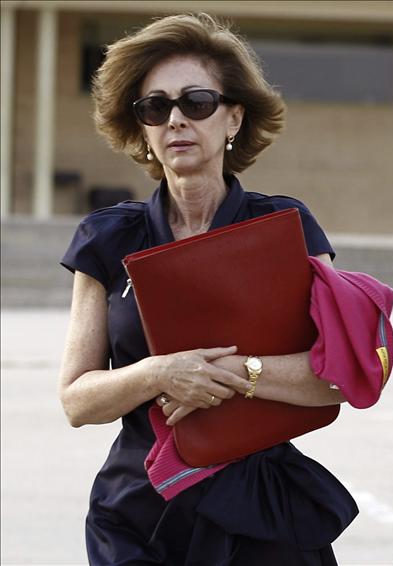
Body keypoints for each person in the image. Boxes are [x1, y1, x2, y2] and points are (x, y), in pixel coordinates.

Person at [59, 13, 358, 565]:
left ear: (233, 118)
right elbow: (77, 400)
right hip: (140, 514)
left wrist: (236, 373)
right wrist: (160, 373)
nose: (176, 119)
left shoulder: (286, 227)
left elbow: (339, 378)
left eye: (196, 102)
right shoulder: (105, 237)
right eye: (155, 107)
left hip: (260, 511)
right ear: (142, 128)